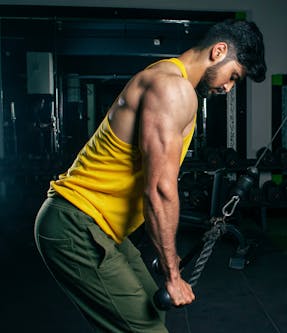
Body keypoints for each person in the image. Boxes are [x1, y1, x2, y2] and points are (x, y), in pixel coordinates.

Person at [34, 19, 266, 332]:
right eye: (233, 76)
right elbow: (158, 189)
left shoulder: (171, 80)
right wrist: (172, 275)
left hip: (99, 227)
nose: (228, 87)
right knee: (148, 329)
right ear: (218, 51)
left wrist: (166, 258)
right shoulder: (172, 88)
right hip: (75, 222)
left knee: (151, 311)